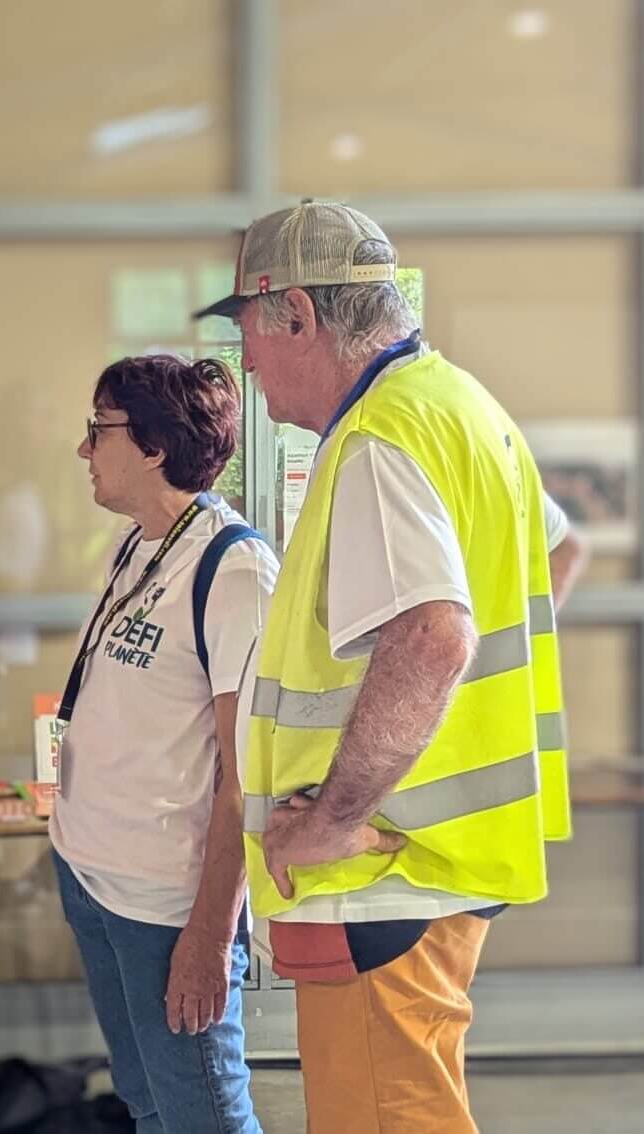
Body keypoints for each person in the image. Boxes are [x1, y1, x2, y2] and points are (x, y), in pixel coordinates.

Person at [193, 201, 589, 1131]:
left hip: (379, 869)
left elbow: (434, 637)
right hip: (434, 857)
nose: (243, 362)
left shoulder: (378, 438)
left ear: (296, 313)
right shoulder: (461, 406)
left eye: (247, 331)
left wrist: (336, 816)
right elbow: (557, 555)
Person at [51, 354, 276, 1133]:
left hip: (165, 903)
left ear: (151, 446)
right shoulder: (137, 545)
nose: (83, 448)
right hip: (89, 872)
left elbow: (246, 779)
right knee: (147, 1104)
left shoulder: (233, 569)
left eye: (99, 429)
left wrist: (209, 934)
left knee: (203, 1118)